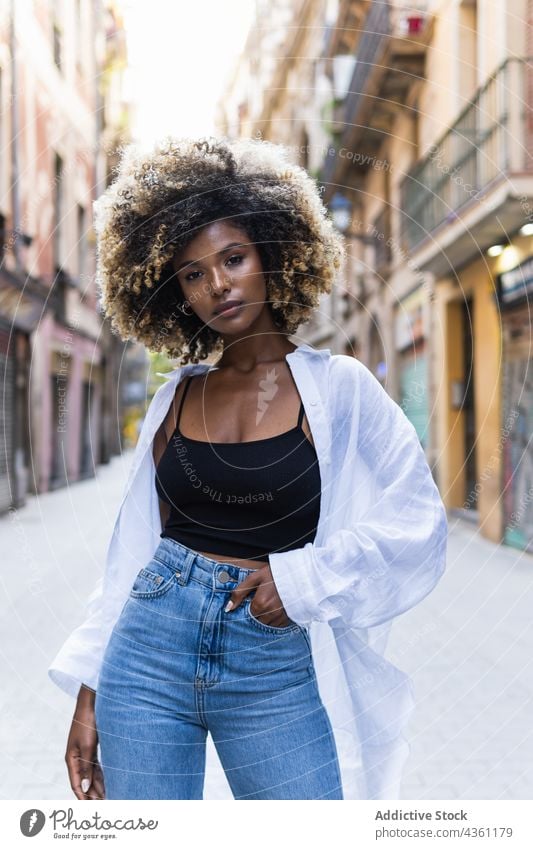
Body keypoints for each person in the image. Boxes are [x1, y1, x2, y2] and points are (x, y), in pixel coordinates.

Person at [48, 136, 448, 801]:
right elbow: (128, 561)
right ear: (171, 290)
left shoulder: (341, 387)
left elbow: (419, 518)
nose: (217, 284)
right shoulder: (173, 397)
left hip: (270, 659)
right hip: (147, 653)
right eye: (193, 273)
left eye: (233, 257)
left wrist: (301, 581)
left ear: (271, 252)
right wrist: (88, 695)